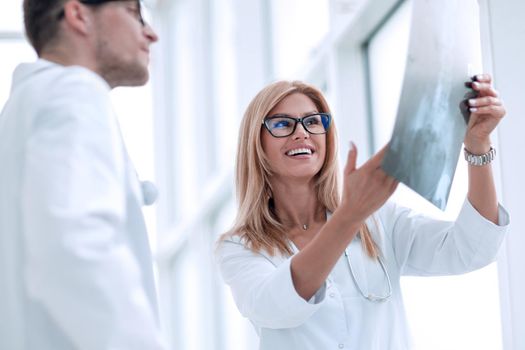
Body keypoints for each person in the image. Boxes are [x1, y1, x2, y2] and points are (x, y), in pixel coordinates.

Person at [216, 78, 509, 349]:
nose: (302, 133)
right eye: (282, 124)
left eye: (313, 122)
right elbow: (276, 306)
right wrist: (349, 217)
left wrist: (478, 144)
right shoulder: (240, 248)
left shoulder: (379, 220)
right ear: (257, 143)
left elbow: (471, 249)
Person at [0, 1, 165, 349]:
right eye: (134, 13)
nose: (151, 33)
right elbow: (74, 246)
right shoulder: (75, 92)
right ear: (77, 14)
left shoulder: (26, 107)